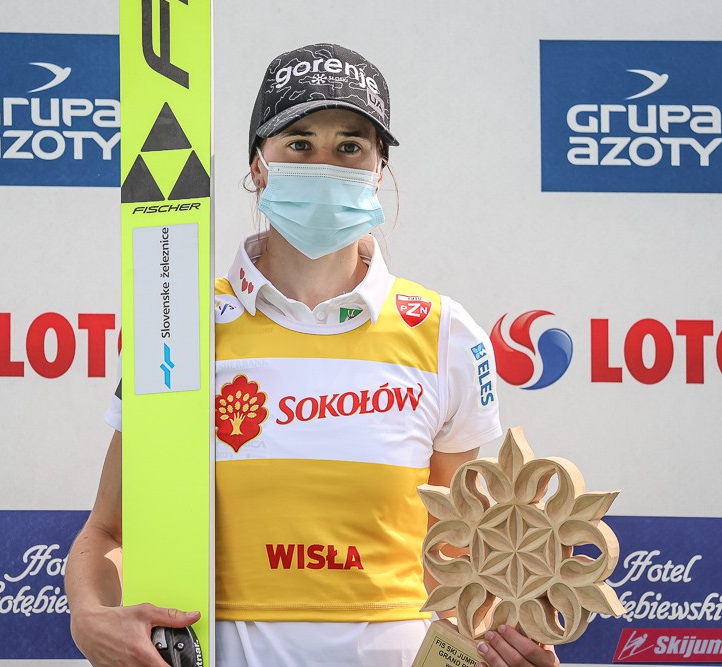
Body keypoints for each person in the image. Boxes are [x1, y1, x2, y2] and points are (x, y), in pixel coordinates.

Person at [66, 43, 560, 667]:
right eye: (299, 144)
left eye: (349, 146)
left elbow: (460, 559)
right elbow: (108, 530)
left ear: (378, 170)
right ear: (258, 165)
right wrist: (90, 620)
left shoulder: (445, 333)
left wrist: (506, 648)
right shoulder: (179, 326)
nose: (324, 164)